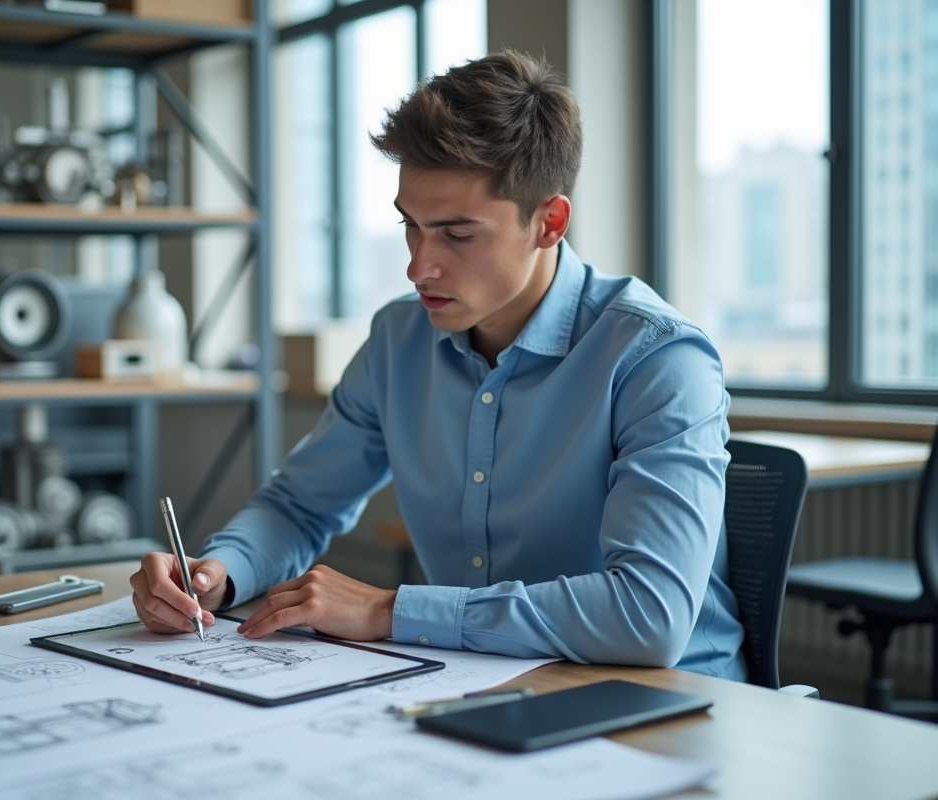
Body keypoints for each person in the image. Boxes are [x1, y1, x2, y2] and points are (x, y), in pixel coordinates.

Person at [131, 50, 746, 680]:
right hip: (478, 681)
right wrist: (219, 572)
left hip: (668, 699)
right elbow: (301, 506)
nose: (418, 266)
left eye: (456, 234)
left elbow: (648, 615)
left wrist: (388, 610)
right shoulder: (400, 337)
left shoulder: (659, 357)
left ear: (549, 222)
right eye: (410, 226)